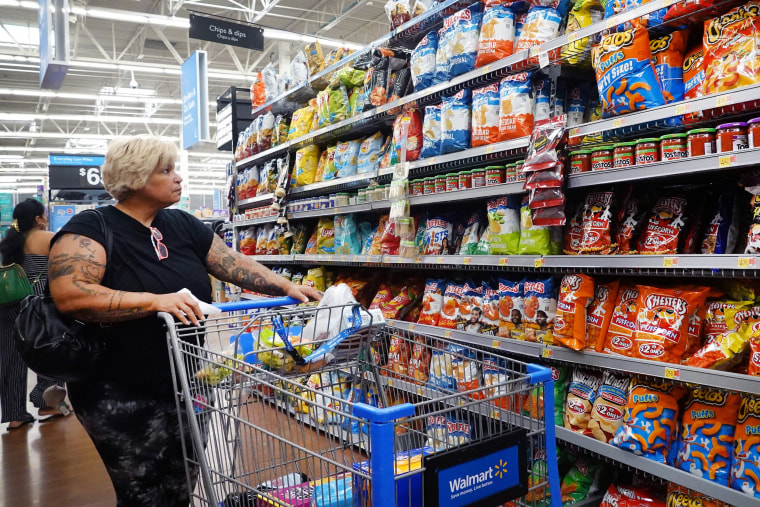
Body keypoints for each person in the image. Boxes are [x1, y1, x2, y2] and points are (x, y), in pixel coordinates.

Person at [48, 136, 321, 506]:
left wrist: (286, 285)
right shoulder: (92, 227)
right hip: (119, 391)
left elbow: (231, 263)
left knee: (182, 483)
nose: (178, 178)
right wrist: (154, 302)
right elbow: (71, 293)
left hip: (186, 380)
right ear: (135, 176)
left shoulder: (180, 223)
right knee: (143, 492)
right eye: (166, 170)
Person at [0, 199, 70, 430]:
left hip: (9, 303)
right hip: (38, 303)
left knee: (11, 359)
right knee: (47, 350)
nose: (47, 219)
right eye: (44, 215)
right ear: (38, 219)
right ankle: (47, 404)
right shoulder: (48, 238)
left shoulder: (8, 242)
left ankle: (15, 415)